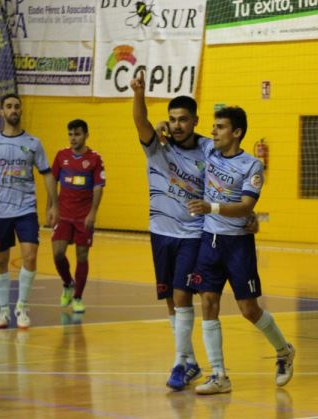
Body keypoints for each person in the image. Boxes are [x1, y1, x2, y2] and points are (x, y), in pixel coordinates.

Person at [186, 106, 295, 394]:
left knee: (248, 309)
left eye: (220, 127)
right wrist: (162, 125)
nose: (213, 132)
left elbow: (247, 207)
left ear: (236, 133)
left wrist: (211, 207)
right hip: (209, 240)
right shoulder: (208, 149)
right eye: (213, 126)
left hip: (237, 244)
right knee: (208, 303)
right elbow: (182, 136)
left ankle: (283, 351)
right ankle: (219, 374)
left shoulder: (252, 166)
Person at [130, 71, 205, 390]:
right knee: (171, 301)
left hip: (193, 234)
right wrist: (138, 93)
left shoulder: (208, 151)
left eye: (183, 119)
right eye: (172, 119)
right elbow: (141, 122)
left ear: (194, 121)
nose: (176, 124)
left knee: (182, 294)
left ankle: (178, 363)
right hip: (160, 233)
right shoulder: (156, 148)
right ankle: (190, 362)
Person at [0, 93, 58, 329]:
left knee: (30, 256)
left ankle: (21, 306)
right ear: (2, 111)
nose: (13, 110)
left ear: (21, 111)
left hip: (26, 209)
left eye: (16, 106)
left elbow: (48, 175)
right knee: (0, 260)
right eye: (8, 106)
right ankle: (3, 311)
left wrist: (54, 205)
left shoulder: (33, 143)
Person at [51, 119, 105, 313]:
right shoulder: (61, 156)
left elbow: (99, 186)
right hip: (64, 215)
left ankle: (78, 297)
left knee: (82, 256)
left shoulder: (95, 158)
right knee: (57, 253)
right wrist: (52, 207)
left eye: (77, 134)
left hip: (83, 217)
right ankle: (67, 283)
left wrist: (93, 212)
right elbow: (51, 181)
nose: (73, 138)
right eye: (70, 134)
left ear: (86, 135)